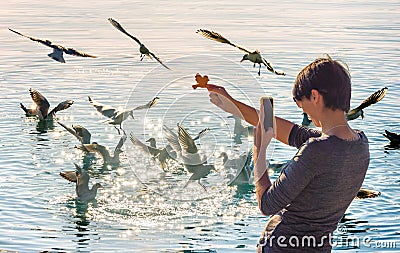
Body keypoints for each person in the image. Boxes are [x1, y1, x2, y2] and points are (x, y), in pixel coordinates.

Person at [207, 55, 370, 252]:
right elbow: (291, 132)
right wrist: (232, 105)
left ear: (315, 96)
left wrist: (259, 149)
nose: (306, 113)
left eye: (302, 105)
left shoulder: (316, 150)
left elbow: (266, 204)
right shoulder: (360, 143)